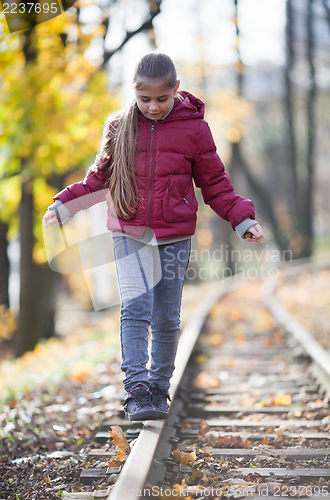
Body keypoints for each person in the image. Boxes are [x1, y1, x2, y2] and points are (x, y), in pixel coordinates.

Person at [43, 52, 264, 421]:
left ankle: (159, 388)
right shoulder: (118, 127)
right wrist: (64, 205)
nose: (153, 107)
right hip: (129, 231)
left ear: (175, 89)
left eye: (161, 98)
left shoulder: (194, 129)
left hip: (175, 235)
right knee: (135, 307)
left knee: (165, 316)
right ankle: (137, 388)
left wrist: (242, 220)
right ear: (134, 92)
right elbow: (98, 179)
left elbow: (215, 184)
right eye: (144, 99)